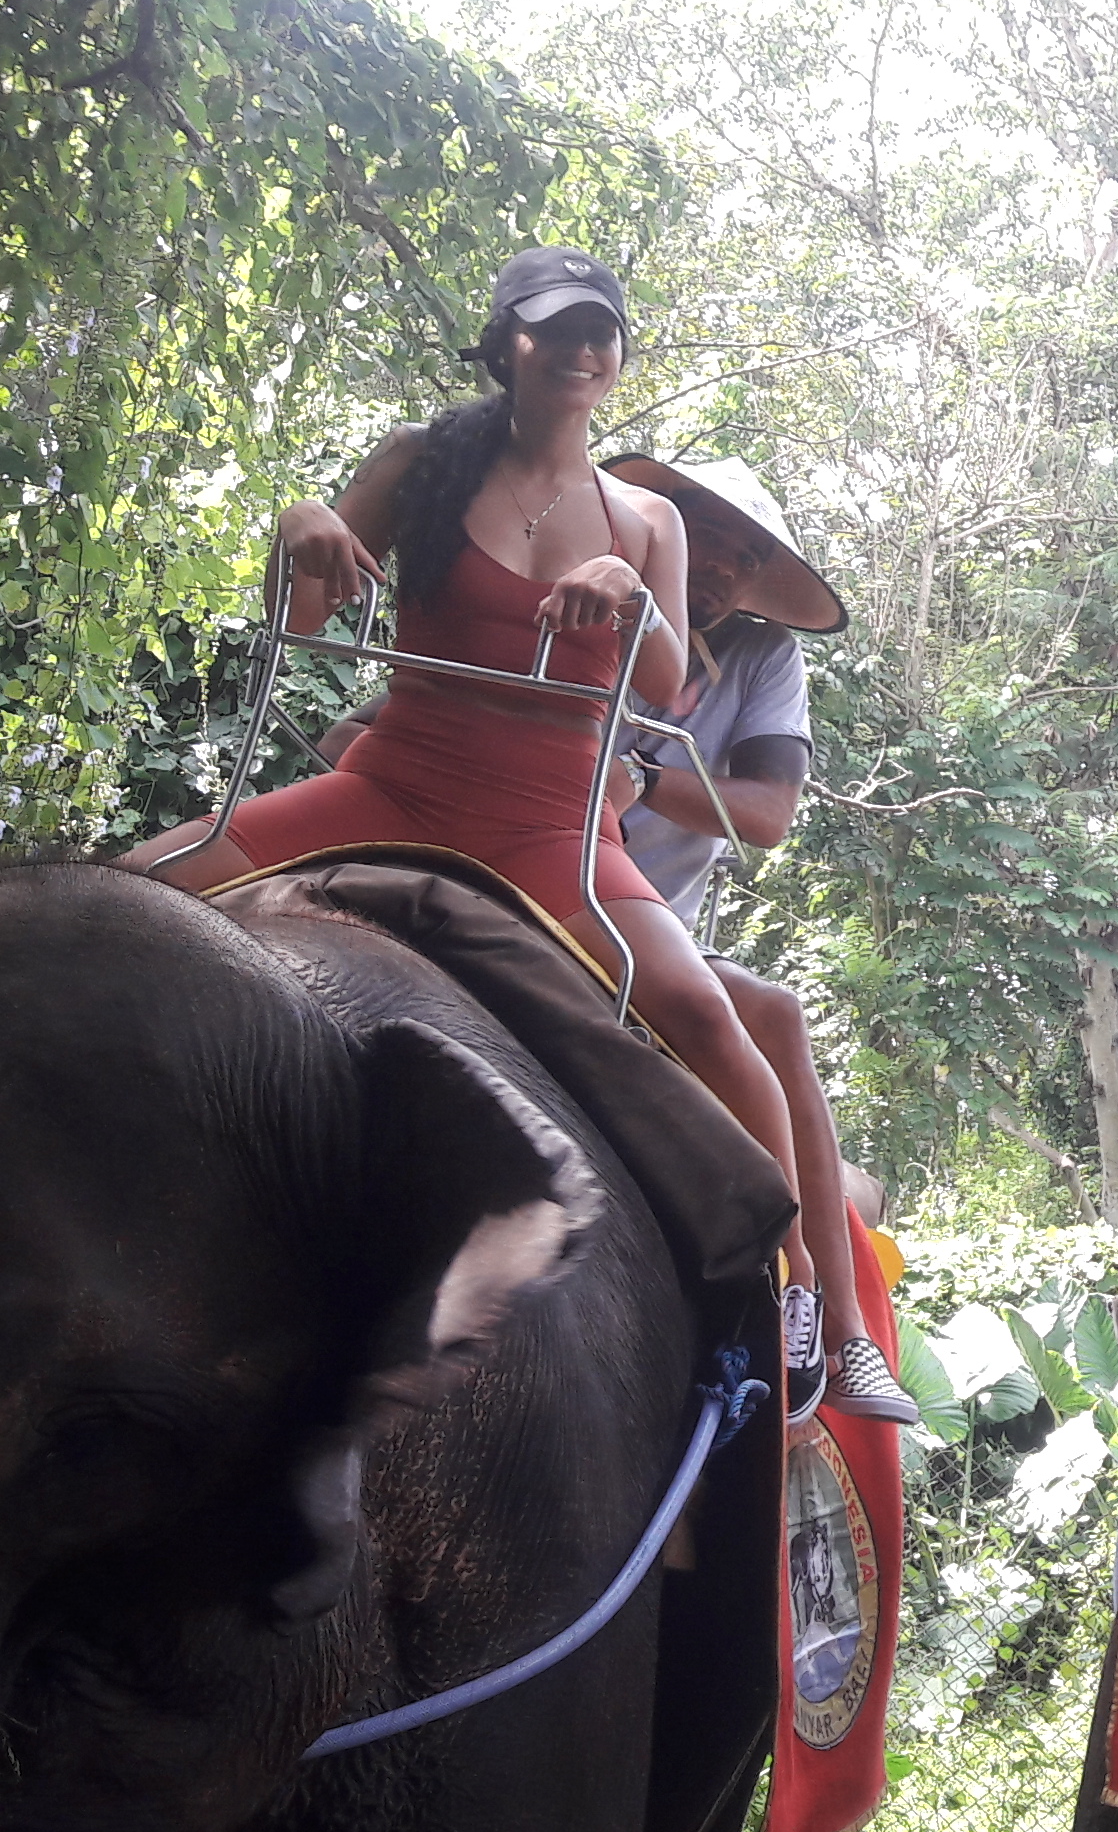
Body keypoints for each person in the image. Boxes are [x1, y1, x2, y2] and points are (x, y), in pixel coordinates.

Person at [131, 251, 824, 1400]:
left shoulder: (646, 518)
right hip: (397, 780)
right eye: (557, 329)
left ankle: (793, 1287)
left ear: (618, 356)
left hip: (552, 827)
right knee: (137, 884)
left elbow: (665, 687)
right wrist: (302, 526)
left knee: (705, 1012)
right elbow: (311, 617)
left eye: (601, 333)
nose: (581, 351)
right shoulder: (424, 460)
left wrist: (629, 592)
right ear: (507, 342)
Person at [593, 450, 920, 1425]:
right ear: (662, 529)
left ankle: (836, 1329)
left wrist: (643, 780)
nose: (726, 570)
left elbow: (769, 813)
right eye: (711, 541)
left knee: (772, 1011)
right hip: (517, 872)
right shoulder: (592, 597)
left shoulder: (762, 658)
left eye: (748, 558)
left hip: (647, 925)